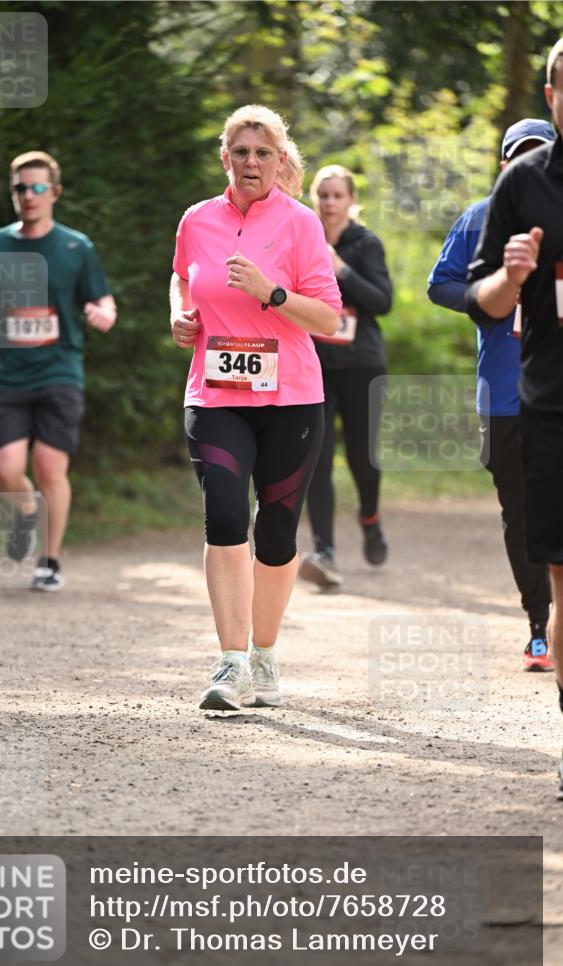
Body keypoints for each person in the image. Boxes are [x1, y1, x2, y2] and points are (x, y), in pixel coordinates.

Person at [170, 105, 342, 711]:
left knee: (275, 533)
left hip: (290, 398)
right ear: (225, 158)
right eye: (240, 152)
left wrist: (271, 292)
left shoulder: (299, 225)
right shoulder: (196, 220)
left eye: (262, 153)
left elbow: (329, 315)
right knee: (224, 517)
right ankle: (231, 663)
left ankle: (264, 656)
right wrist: (179, 313)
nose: (250, 163)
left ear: (279, 161)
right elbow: (182, 277)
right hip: (215, 395)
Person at [465, 38, 563, 797]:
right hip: (548, 405)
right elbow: (480, 296)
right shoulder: (522, 185)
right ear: (552, 94)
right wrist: (511, 275)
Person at [428, 119, 555, 672]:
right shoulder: (481, 217)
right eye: (518, 156)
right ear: (504, 165)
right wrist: (492, 296)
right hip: (504, 395)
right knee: (522, 516)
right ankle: (538, 628)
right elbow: (441, 283)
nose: (528, 163)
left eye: (539, 153)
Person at [0, 150, 116, 591]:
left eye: (36, 188)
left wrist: (103, 314)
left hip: (59, 369)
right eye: (19, 188)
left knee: (51, 467)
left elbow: (103, 299)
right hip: (8, 371)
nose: (28, 196)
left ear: (54, 192)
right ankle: (27, 511)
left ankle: (49, 561)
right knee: (4, 465)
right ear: (12, 192)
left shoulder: (75, 246)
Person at [299, 165, 392, 591]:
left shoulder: (366, 243)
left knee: (361, 457)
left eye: (337, 195)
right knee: (316, 458)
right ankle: (325, 552)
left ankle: (370, 519)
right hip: (314, 364)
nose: (329, 203)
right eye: (323, 195)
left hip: (361, 365)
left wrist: (342, 270)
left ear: (351, 200)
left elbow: (383, 301)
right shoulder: (302, 237)